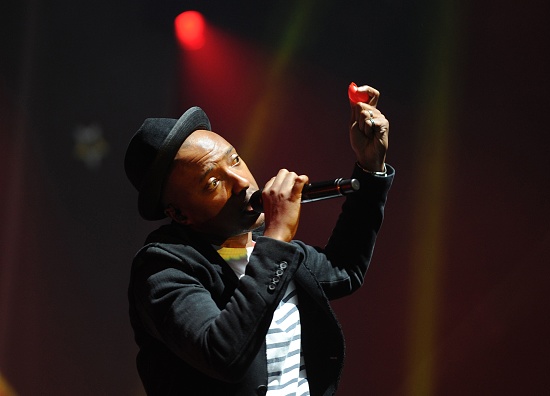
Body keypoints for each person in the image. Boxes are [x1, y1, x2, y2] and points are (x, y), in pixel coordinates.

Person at [124, 84, 393, 396]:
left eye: (235, 160)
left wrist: (371, 169)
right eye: (213, 182)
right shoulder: (163, 268)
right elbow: (223, 354)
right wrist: (277, 238)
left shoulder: (257, 246)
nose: (241, 183)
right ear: (180, 214)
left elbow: (344, 269)